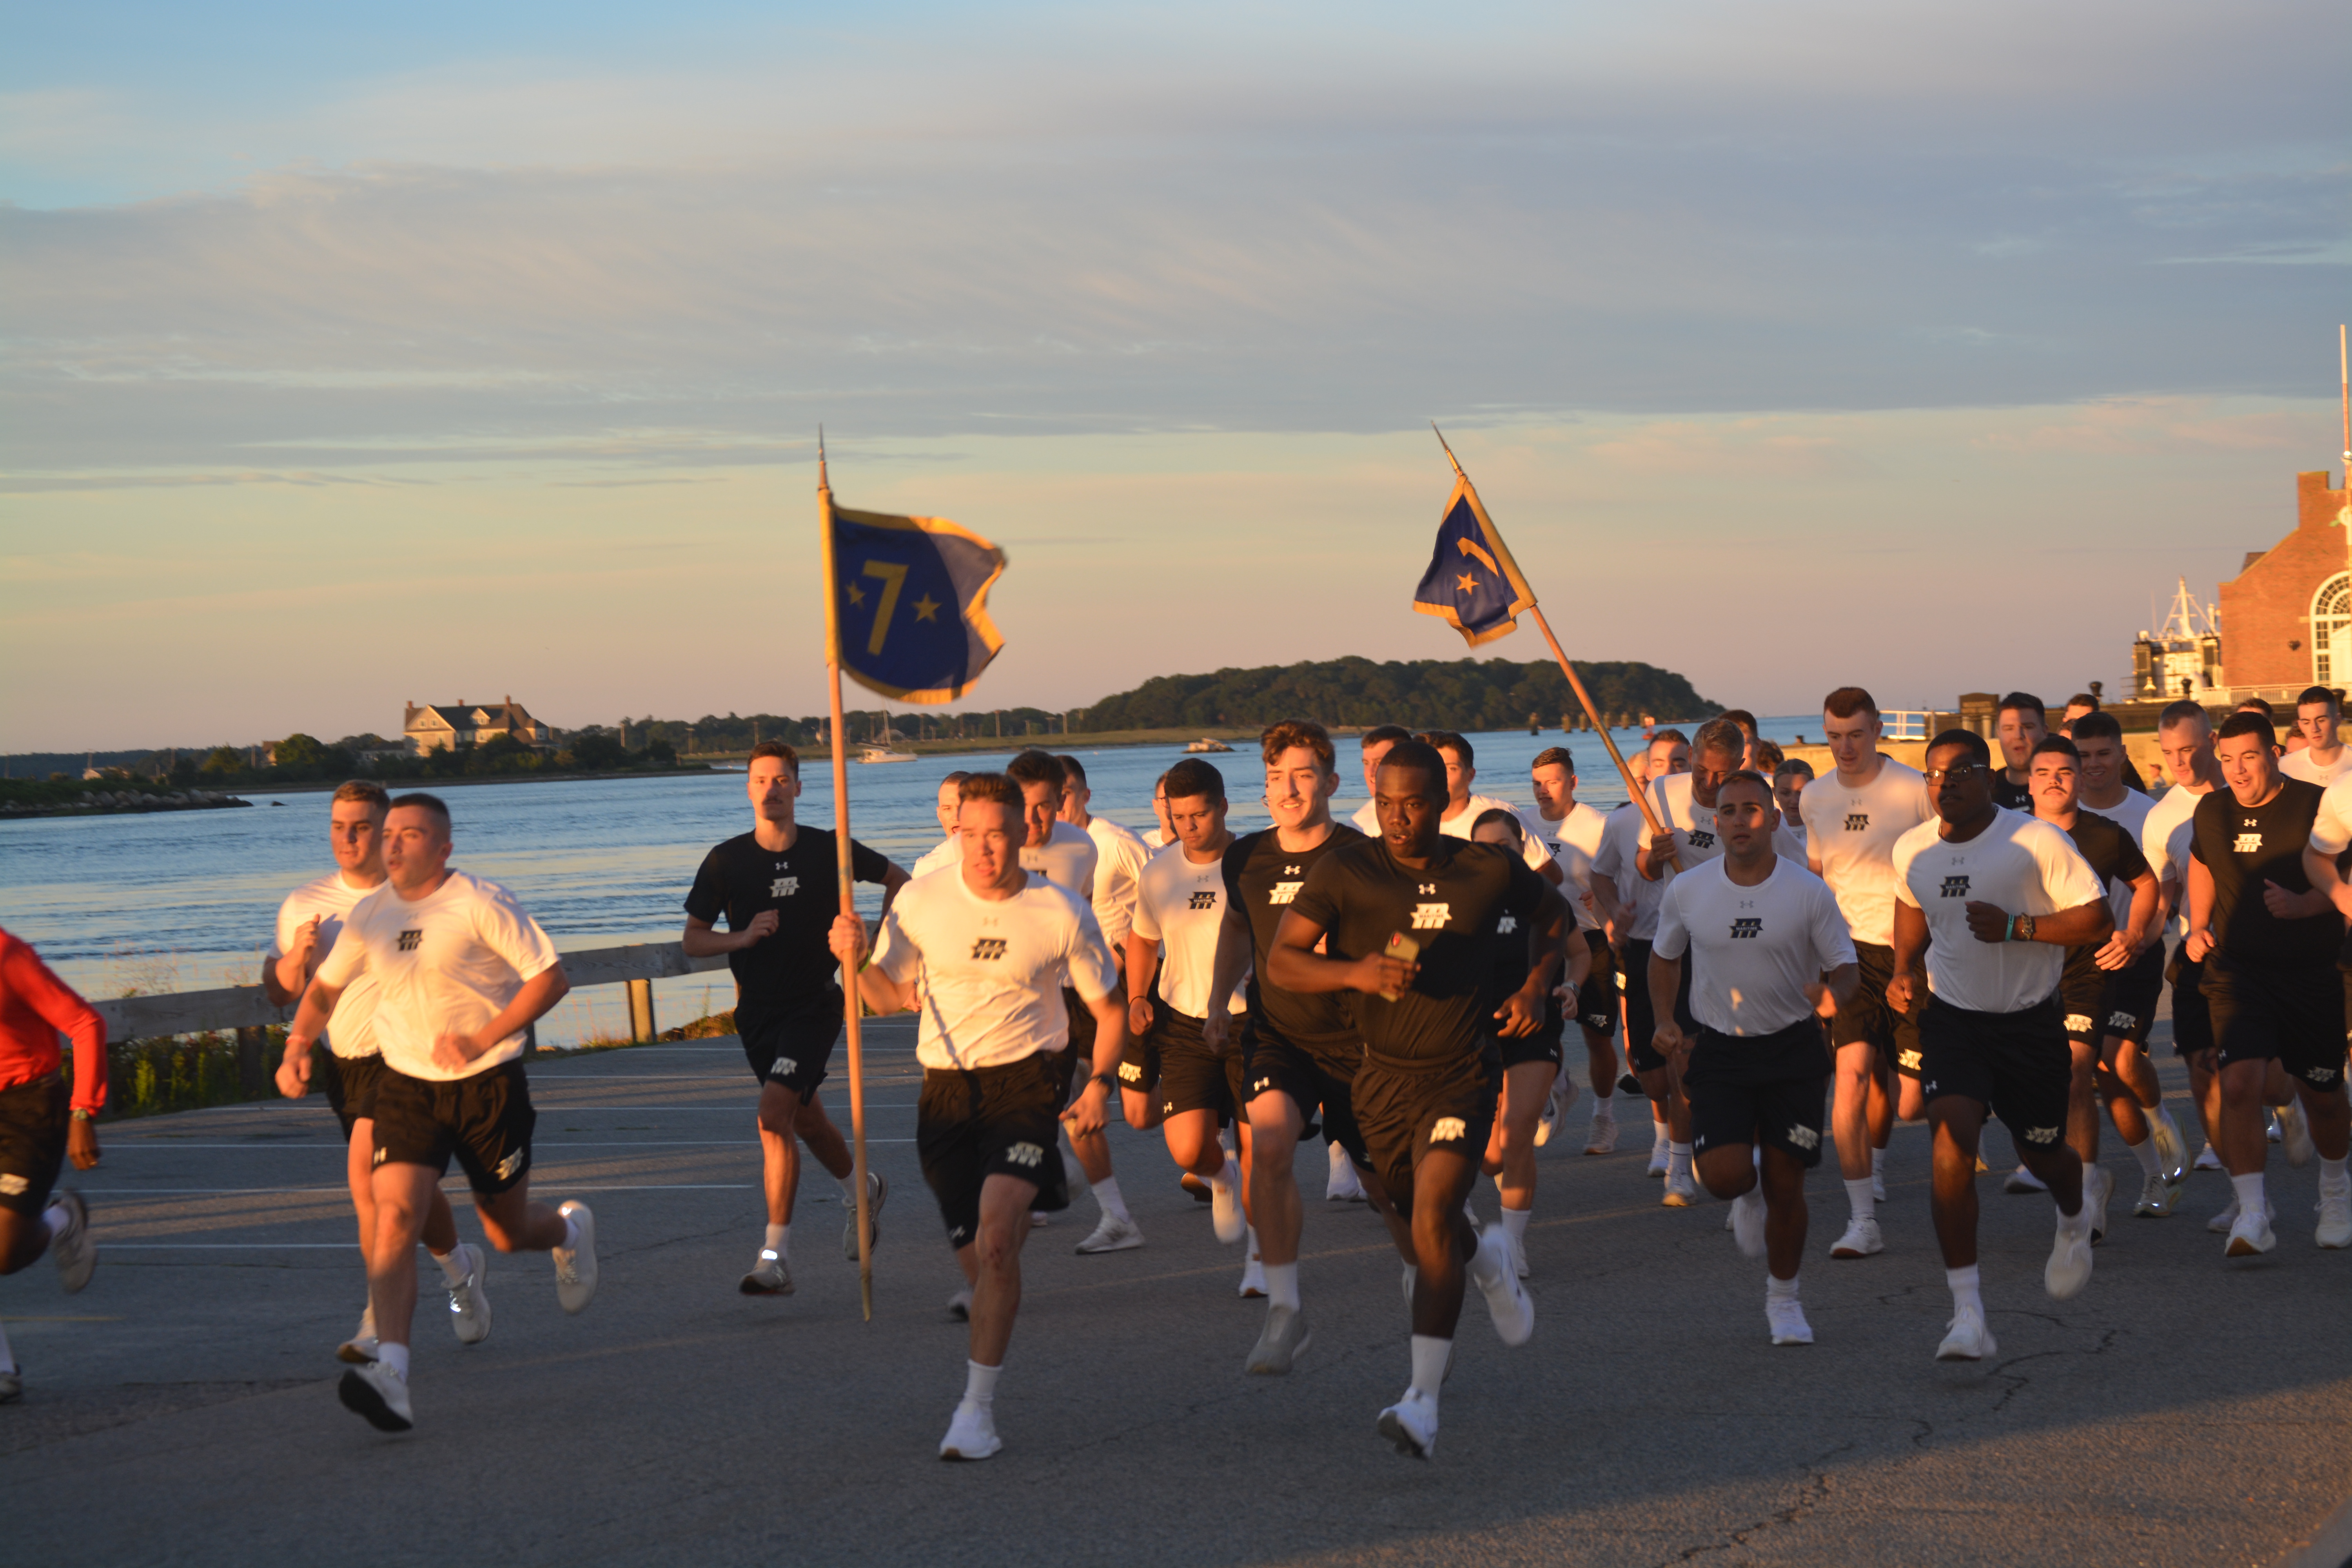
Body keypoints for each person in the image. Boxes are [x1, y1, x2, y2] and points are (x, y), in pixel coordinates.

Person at [1270, 739, 1565, 1459]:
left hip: (1462, 1071)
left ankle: (1422, 1401)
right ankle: (1488, 1258)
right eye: (1386, 805)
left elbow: (1555, 917)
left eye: (1413, 805)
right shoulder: (1348, 870)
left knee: (1433, 1213)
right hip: (1378, 1079)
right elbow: (1282, 962)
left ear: (1442, 803)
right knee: (1414, 1218)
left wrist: (1533, 984)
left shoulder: (1485, 867)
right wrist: (1358, 973)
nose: (1398, 819)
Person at [828, 771, 1127, 1460]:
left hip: (1027, 1085)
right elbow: (884, 996)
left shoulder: (1060, 912)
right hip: (945, 1094)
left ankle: (976, 1411)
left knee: (997, 1244)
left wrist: (1099, 1085)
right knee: (981, 1260)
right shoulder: (922, 902)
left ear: (1023, 832)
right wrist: (850, 961)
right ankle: (1041, 1196)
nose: (986, 850)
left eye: (1000, 834)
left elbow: (1109, 1011)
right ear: (955, 832)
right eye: (973, 835)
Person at [289, 793, 591, 1433]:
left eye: (411, 834)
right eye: (389, 834)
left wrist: (482, 1038)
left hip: (488, 1087)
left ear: (445, 848)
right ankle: (392, 1373)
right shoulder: (371, 914)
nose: (393, 844)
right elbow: (324, 988)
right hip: (407, 1086)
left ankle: (568, 1234)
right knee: (394, 1209)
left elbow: (551, 979)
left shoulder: (481, 902)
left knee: (508, 1233)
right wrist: (295, 1045)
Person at [1888, 733, 2108, 1361]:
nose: (1945, 784)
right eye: (1935, 775)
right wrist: (1906, 966)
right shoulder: (1914, 850)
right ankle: (1968, 1314)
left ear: (1990, 778)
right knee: (1951, 1144)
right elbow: (1910, 903)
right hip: (1954, 1022)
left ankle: (2075, 1211)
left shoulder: (2035, 841)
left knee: (2043, 1153)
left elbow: (2097, 920)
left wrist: (2019, 927)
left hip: (2029, 1024)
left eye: (1961, 772)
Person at [1209, 720, 1403, 1375]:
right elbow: (1237, 928)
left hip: (1359, 1043)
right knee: (1267, 1144)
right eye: (1275, 778)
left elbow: (1408, 934)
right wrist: (1215, 1003)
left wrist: (1395, 981)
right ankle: (1286, 1309)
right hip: (1278, 1034)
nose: (1288, 790)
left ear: (1332, 782)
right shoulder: (1245, 858)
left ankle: (1423, 1274)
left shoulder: (1363, 855)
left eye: (1302, 775)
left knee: (1388, 1191)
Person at [267, 780, 477, 1361]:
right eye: (339, 826)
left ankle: (375, 1320)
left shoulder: (424, 895)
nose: (349, 838)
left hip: (409, 1061)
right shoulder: (305, 904)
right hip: (347, 1064)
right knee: (410, 1190)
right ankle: (460, 1267)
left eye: (362, 826)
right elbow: (281, 992)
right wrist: (292, 971)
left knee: (368, 1180)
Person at [683, 741, 904, 1296]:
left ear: (799, 788)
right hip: (757, 1014)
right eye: (762, 780)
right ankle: (863, 1189)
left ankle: (774, 1256)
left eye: (783, 779)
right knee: (804, 1120)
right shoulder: (726, 861)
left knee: (772, 1115)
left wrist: (871, 943)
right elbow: (694, 940)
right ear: (749, 788)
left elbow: (899, 879)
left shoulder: (830, 849)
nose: (772, 789)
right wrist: (744, 936)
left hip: (815, 1004)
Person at [1649, 771, 1857, 1345]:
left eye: (1751, 810)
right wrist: (1666, 1019)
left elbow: (1846, 966)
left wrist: (1834, 996)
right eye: (1729, 812)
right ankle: (1746, 1186)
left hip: (1793, 1048)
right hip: (1720, 1048)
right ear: (1715, 822)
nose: (1740, 820)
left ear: (1771, 817)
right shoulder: (1688, 891)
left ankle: (1784, 1300)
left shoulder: (1807, 891)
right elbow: (1664, 958)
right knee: (1723, 1177)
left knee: (1789, 1186)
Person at [2187, 714, 2352, 1254]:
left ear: (2274, 754)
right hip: (2240, 972)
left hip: (2310, 972)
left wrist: (2305, 906)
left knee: (2323, 1097)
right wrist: (2198, 924)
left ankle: (2334, 1192)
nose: (2237, 771)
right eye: (2228, 759)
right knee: (2237, 1084)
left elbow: (2341, 876)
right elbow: (2202, 862)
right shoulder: (2211, 810)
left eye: (2249, 758)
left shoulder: (2316, 804)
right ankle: (2253, 1214)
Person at [1635, 717, 1806, 1203]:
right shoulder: (1662, 792)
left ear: (1740, 765)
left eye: (1722, 774)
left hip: (1746, 943)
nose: (1710, 785)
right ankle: (1679, 1164)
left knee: (1745, 1057)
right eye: (1702, 774)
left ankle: (1750, 1170)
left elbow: (1799, 870)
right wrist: (1656, 855)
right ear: (1690, 757)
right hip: (1685, 940)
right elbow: (1643, 868)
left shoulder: (1752, 801)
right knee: (1682, 1059)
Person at [1799, 687, 1933, 1261]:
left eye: (1855, 734)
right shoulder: (1814, 797)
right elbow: (1815, 879)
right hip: (1847, 955)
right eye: (1833, 736)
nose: (1845, 747)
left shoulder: (1911, 789)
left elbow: (1942, 858)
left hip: (1911, 951)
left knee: (1910, 1103)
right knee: (1850, 1077)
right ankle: (1862, 1221)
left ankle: (1885, 1152)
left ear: (1878, 728)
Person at [2023, 736, 2161, 1239]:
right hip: (2023, 975)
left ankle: (2081, 1195)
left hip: (2088, 970)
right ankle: (2089, 1176)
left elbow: (2148, 885)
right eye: (2044, 772)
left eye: (2065, 771)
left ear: (2080, 778)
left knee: (2079, 1071)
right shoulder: (2007, 834)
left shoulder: (2107, 834)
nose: (2055, 780)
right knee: (2034, 1090)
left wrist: (2135, 934)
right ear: (2028, 779)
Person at [1122, 759, 1253, 1287]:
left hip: (1254, 1021)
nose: (1189, 827)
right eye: (1179, 817)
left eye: (1199, 814)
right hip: (1183, 1022)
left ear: (1223, 807)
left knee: (1262, 1150)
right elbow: (1142, 937)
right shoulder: (1159, 870)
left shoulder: (1254, 862)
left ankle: (1263, 1261)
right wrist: (1135, 995)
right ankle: (1221, 1177)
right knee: (1188, 1149)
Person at [1004, 748, 1133, 1252]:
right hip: (1006, 1001)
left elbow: (1076, 916)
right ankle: (1062, 1180)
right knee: (1041, 1115)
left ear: (1064, 799)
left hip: (1068, 993)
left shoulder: (1082, 847)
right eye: (1024, 806)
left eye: (1045, 806)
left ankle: (1113, 1213)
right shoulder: (977, 847)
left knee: (1074, 1109)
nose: (1035, 820)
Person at [2068, 713, 2189, 1211]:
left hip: (2136, 953)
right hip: (2080, 962)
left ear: (2122, 754)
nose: (2094, 764)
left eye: (2103, 753)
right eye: (2085, 755)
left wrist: (2143, 932)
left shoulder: (2150, 814)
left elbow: (2168, 884)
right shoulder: (2058, 815)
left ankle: (2162, 1120)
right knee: (2099, 1071)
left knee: (2117, 1056)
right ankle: (2151, 1175)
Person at [1469, 808, 1590, 1276]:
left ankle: (1513, 1244)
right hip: (1476, 1033)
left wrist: (1572, 987)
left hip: (1535, 1029)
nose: (1496, 856)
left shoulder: (1545, 899)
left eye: (1506, 847)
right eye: (1485, 849)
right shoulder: (1461, 901)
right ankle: (1556, 1094)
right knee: (1487, 1159)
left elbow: (1578, 953)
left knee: (1515, 1135)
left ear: (1524, 849)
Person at [0, 927, 103, 1405]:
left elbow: (85, 1023)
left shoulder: (10, 955)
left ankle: (63, 1220)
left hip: (29, 1107)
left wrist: (82, 1111)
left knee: (4, 1252)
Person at [1592, 730, 1691, 1183]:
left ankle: (1682, 1148)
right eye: (1661, 762)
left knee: (1688, 1053)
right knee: (1650, 1067)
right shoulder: (1622, 821)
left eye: (1680, 761)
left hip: (1697, 945)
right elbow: (1601, 876)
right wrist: (1615, 914)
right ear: (1645, 771)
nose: (1670, 769)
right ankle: (1663, 1132)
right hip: (1644, 946)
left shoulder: (1706, 815)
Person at [2141, 701, 2233, 1178]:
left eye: (2190, 749)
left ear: (2213, 742)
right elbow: (2161, 898)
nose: (2179, 762)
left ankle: (2286, 1106)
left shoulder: (2246, 790)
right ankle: (2218, 1145)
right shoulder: (2162, 817)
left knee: (2276, 1080)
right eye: (2169, 752)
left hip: (2263, 951)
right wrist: (2137, 940)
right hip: (2199, 951)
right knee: (2201, 1058)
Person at [1528, 746, 1623, 1153]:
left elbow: (1619, 877)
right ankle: (1561, 1083)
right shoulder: (1522, 822)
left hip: (1589, 939)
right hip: (1541, 940)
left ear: (1573, 782)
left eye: (1552, 781)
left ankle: (1604, 1116)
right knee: (1537, 1026)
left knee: (1597, 1036)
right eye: (1537, 783)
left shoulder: (1598, 825)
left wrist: (1602, 899)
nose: (1543, 790)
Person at [1405, 731, 1563, 883]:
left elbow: (1551, 874)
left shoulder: (1499, 814)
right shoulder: (1415, 820)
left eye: (1451, 769)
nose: (1442, 776)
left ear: (1470, 775)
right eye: (1438, 768)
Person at [1058, 756, 1154, 990]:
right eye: (1049, 796)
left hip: (1118, 978)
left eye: (1065, 794)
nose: (1058, 803)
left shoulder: (1115, 842)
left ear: (1086, 796)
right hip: (1065, 981)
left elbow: (1168, 895)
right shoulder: (1042, 849)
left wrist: (1124, 948)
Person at [1347, 725, 1417, 836]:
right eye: (1366, 764)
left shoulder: (1435, 815)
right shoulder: (1358, 827)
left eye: (1379, 762)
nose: (1371, 773)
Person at [2281, 686, 2352, 787]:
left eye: (2321, 721)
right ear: (2300, 725)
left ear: (2337, 720)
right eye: (2307, 723)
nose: (2314, 729)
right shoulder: (2284, 768)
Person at [1992, 693, 2049, 811]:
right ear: (1999, 735)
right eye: (2009, 729)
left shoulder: (2061, 786)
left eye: (2027, 727)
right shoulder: (1986, 793)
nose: (2018, 736)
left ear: (2044, 732)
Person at [912, 771, 972, 878]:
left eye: (963, 806)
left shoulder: (1003, 860)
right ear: (939, 814)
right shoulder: (925, 869)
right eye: (948, 809)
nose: (956, 816)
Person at [1772, 757, 1813, 856]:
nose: (1794, 801)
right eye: (1786, 793)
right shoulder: (1767, 831)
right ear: (1775, 794)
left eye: (1801, 792)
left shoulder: (1828, 827)